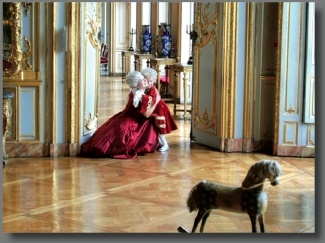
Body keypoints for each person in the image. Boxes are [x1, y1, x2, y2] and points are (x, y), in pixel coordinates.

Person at [80, 71, 161, 159]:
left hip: (123, 117)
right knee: (149, 122)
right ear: (137, 84)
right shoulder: (141, 97)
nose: (145, 80)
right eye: (142, 80)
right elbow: (147, 115)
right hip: (130, 123)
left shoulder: (134, 91)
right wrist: (156, 101)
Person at [141, 67, 178, 152]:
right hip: (154, 108)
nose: (149, 83)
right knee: (155, 127)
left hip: (159, 110)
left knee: (160, 127)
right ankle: (160, 142)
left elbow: (150, 102)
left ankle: (165, 144)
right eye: (147, 81)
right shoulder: (147, 88)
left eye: (151, 81)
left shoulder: (152, 91)